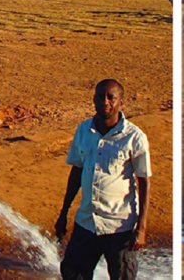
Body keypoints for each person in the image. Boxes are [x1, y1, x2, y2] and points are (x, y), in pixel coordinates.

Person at [55, 78, 151, 280]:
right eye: (100, 97)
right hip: (87, 222)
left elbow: (144, 181)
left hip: (120, 227)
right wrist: (63, 213)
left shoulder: (134, 137)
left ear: (120, 102)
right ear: (94, 99)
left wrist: (141, 228)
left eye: (111, 97)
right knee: (72, 273)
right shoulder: (83, 130)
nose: (105, 102)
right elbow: (77, 171)